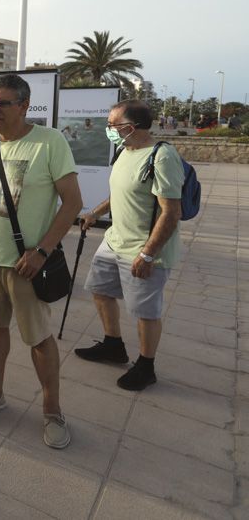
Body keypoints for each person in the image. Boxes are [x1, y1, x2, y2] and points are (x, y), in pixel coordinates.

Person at [0, 73, 82, 449]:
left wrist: (41, 251)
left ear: (25, 106)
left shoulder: (50, 142)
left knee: (39, 339)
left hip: (27, 264)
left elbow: (73, 203)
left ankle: (52, 411)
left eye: (3, 103)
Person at [76, 100, 183, 390]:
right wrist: (95, 213)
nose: (108, 129)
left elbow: (172, 211)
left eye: (112, 124)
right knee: (99, 291)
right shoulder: (125, 150)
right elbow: (122, 192)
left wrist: (148, 254)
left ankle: (146, 366)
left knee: (145, 312)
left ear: (129, 127)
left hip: (144, 249)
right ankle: (113, 346)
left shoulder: (162, 156)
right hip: (114, 241)